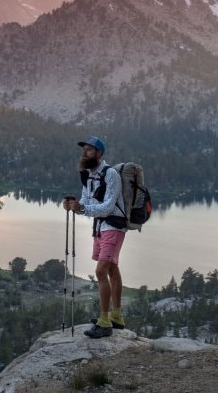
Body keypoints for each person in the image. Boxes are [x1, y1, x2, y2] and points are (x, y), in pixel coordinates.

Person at [62, 135, 127, 338]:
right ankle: (117, 316)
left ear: (99, 153)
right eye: (84, 150)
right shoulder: (88, 176)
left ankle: (104, 321)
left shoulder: (111, 174)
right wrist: (75, 207)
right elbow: (85, 201)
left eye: (89, 150)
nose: (84, 153)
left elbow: (108, 207)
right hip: (100, 227)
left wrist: (83, 208)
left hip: (114, 226)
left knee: (100, 271)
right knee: (112, 269)